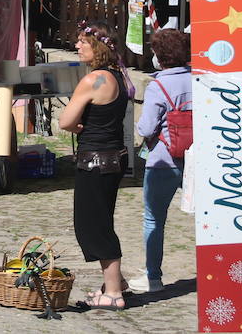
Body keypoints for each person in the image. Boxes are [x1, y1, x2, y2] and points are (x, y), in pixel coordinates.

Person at [60, 21, 134, 309]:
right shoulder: (119, 77)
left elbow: (66, 121)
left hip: (95, 159)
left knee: (93, 225)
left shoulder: (93, 80)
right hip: (113, 156)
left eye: (83, 42)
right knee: (101, 219)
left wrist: (80, 127)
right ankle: (117, 282)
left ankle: (114, 294)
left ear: (98, 47)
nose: (77, 46)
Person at [131, 27, 191, 295]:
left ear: (158, 56)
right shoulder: (200, 80)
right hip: (197, 160)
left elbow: (145, 129)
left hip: (164, 160)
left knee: (154, 219)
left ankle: (153, 276)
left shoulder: (159, 86)